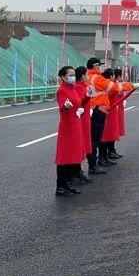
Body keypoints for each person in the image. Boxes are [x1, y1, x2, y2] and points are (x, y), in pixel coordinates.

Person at [85, 58, 139, 173]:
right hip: (98, 110)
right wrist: (132, 86)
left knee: (95, 138)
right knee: (96, 139)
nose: (100, 67)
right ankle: (94, 164)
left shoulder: (89, 77)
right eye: (99, 65)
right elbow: (115, 87)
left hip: (94, 109)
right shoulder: (97, 78)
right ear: (95, 66)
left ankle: (96, 162)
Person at [54, 66, 85, 197]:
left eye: (74, 74)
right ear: (63, 77)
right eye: (71, 75)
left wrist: (87, 98)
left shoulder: (72, 89)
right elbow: (63, 104)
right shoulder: (62, 90)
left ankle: (68, 183)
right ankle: (60, 187)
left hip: (75, 124)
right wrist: (65, 106)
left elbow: (78, 103)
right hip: (67, 127)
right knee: (65, 157)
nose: (73, 77)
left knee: (72, 155)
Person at [73, 66, 97, 178]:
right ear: (83, 76)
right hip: (81, 120)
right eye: (86, 75)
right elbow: (80, 102)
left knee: (83, 144)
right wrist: (88, 97)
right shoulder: (78, 87)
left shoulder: (83, 86)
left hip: (85, 119)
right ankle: (77, 171)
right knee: (79, 145)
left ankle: (79, 170)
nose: (87, 76)